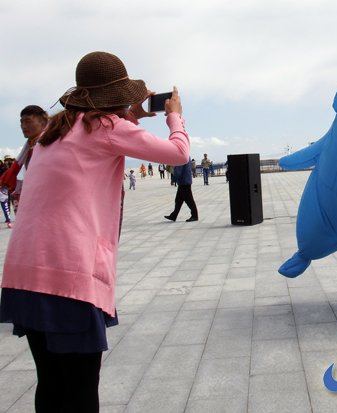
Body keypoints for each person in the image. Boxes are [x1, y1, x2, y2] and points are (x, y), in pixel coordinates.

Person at [0, 51, 190, 412]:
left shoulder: (53, 131)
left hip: (24, 273)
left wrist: (133, 115)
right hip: (67, 276)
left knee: (51, 382)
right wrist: (174, 115)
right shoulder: (108, 128)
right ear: (115, 97)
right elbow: (179, 152)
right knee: (81, 388)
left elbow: (94, 136)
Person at [0, 105, 49, 214]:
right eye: (21, 122)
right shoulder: (30, 147)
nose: (23, 126)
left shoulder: (50, 144)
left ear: (43, 122)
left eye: (28, 121)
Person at [164, 157, 198, 222]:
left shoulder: (181, 158)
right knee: (178, 200)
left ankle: (194, 216)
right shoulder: (186, 156)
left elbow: (178, 171)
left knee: (189, 200)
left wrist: (173, 179)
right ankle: (174, 215)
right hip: (185, 181)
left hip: (184, 182)